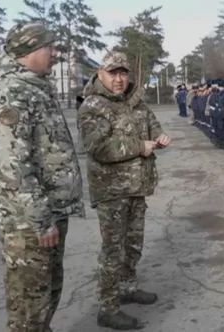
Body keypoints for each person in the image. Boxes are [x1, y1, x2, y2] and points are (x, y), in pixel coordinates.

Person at [0, 22, 85, 332]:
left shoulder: (34, 86)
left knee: (46, 294)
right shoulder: (10, 92)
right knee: (29, 305)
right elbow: (10, 164)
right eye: (48, 47)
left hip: (48, 212)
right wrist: (40, 219)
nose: (54, 54)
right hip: (28, 222)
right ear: (28, 51)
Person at [78, 52, 171, 330]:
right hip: (112, 191)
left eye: (123, 73)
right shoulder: (93, 106)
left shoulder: (135, 101)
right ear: (101, 75)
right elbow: (97, 147)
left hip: (136, 186)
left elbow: (150, 122)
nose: (119, 79)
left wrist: (158, 135)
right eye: (113, 73)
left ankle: (127, 287)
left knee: (132, 244)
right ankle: (107, 308)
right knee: (113, 251)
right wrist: (140, 147)